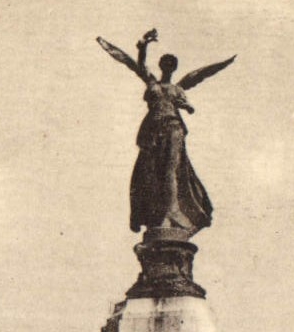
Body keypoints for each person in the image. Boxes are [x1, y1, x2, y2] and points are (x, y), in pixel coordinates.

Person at [96, 29, 236, 235]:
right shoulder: (152, 82)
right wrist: (143, 46)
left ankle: (171, 213)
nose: (168, 66)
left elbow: (199, 78)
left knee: (171, 170)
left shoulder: (178, 88)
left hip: (174, 128)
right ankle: (155, 213)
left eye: (171, 64)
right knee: (150, 170)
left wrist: (187, 106)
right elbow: (136, 65)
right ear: (161, 65)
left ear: (174, 67)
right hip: (153, 130)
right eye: (165, 63)